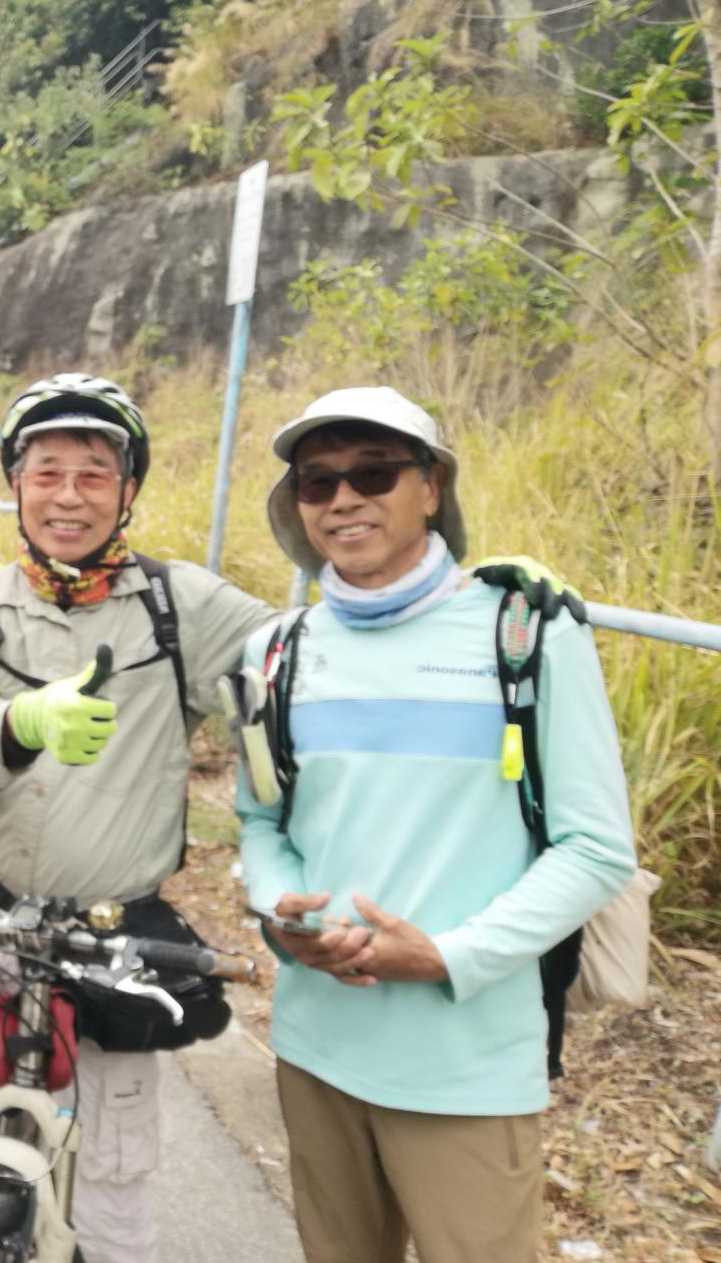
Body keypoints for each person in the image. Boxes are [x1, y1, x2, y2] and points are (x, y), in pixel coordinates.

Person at [236, 386, 636, 1263]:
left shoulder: (526, 636)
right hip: (314, 1046)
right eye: (317, 482)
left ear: (432, 486)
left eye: (374, 473)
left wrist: (450, 957)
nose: (344, 499)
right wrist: (279, 913)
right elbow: (262, 820)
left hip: (466, 1067)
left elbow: (597, 848)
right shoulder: (278, 651)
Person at [0, 373, 276, 1262]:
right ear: (15, 487)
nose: (69, 495)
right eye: (47, 472)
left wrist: (456, 598)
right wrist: (23, 722)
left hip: (112, 933)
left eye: (94, 474)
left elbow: (307, 654)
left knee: (114, 1182)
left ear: (128, 488)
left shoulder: (182, 606)